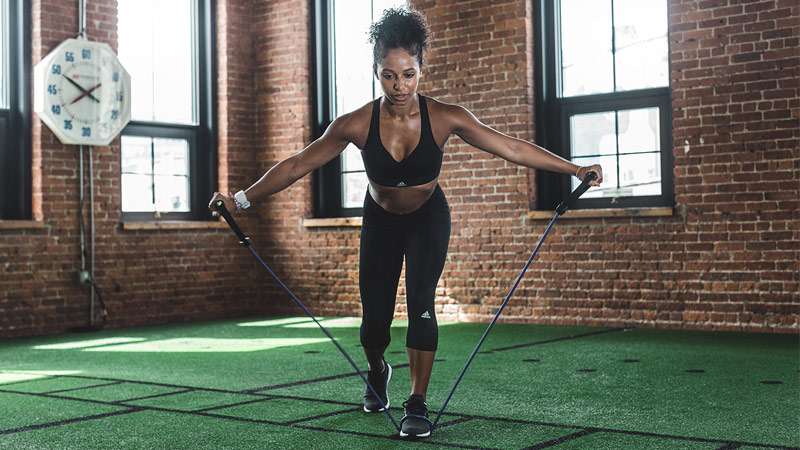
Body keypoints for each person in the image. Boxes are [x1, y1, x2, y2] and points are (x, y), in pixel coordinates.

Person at [209, 7, 602, 439]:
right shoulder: (356, 124)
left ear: (421, 69)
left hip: (427, 218)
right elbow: (298, 165)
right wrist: (240, 199)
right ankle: (378, 371)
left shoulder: (446, 117)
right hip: (379, 221)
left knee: (421, 304)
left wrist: (573, 168)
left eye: (409, 74)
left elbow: (511, 148)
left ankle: (417, 401)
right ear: (376, 71)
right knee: (373, 322)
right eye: (389, 75)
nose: (400, 86)